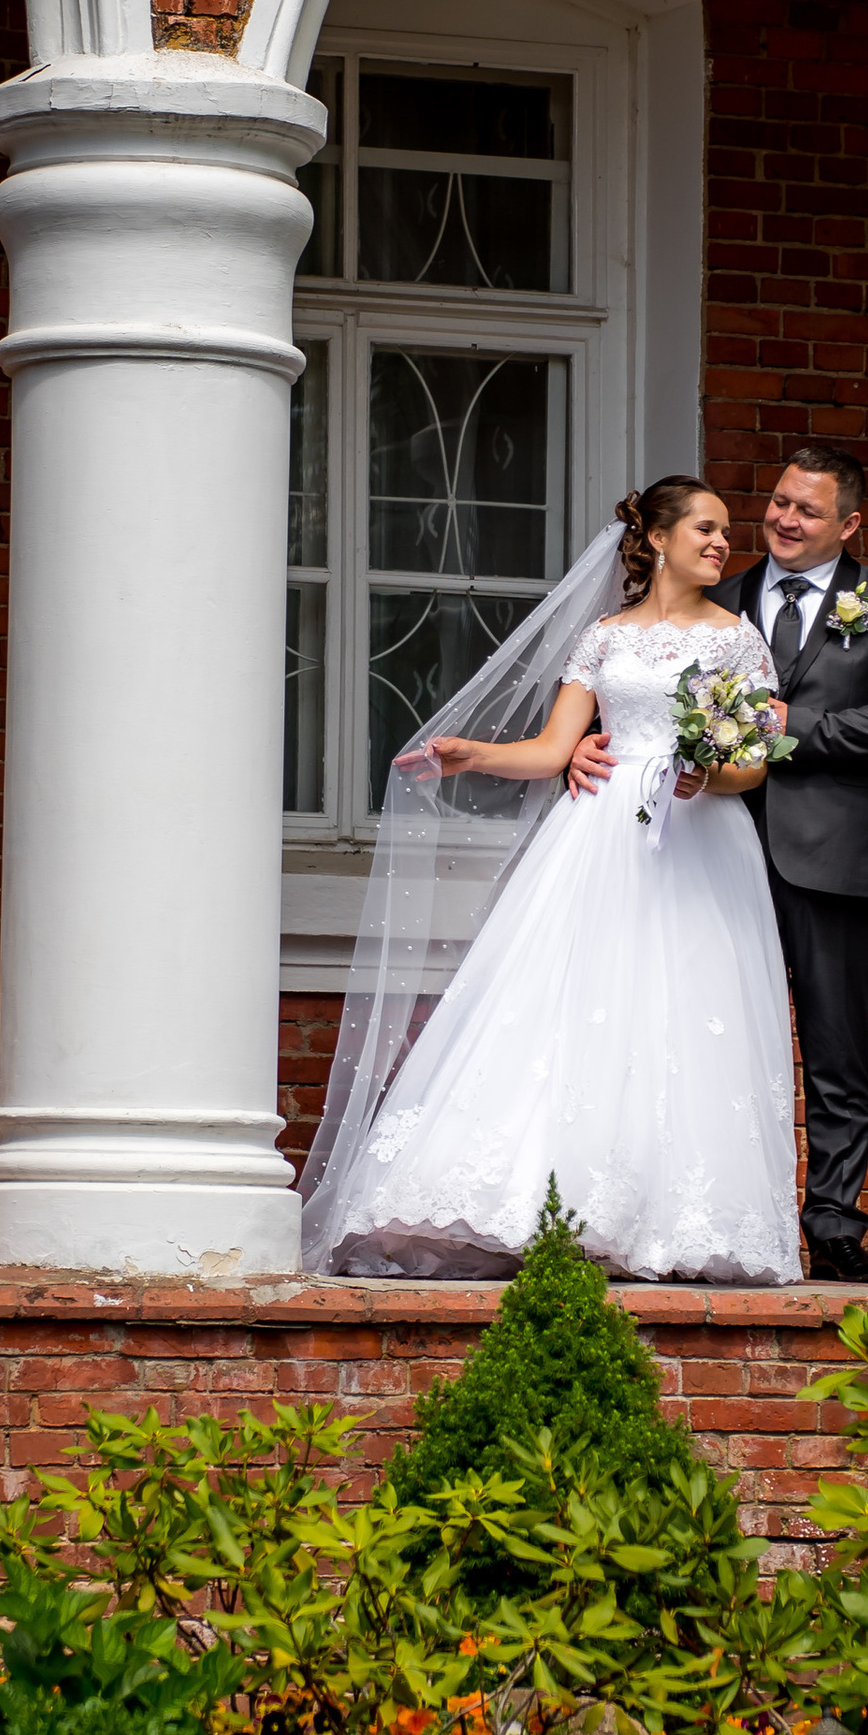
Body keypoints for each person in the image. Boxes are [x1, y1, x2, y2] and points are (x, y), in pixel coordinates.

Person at [299, 476, 802, 1283]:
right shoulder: (603, 639)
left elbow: (753, 765)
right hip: (600, 837)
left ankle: (668, 1221)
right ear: (659, 539)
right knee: (577, 1008)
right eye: (705, 529)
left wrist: (708, 774)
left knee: (688, 1014)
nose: (721, 543)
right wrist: (471, 754)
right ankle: (550, 1206)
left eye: (724, 532)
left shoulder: (738, 641)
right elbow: (550, 748)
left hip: (702, 840)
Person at [572, 442, 868, 1284]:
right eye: (779, 502)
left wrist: (790, 729)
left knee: (836, 1047)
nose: (785, 520)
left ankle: (833, 1228)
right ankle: (678, 1213)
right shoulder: (717, 596)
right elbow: (635, 700)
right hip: (704, 848)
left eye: (808, 510)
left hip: (836, 857)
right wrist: (583, 751)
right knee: (693, 1031)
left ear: (849, 524)